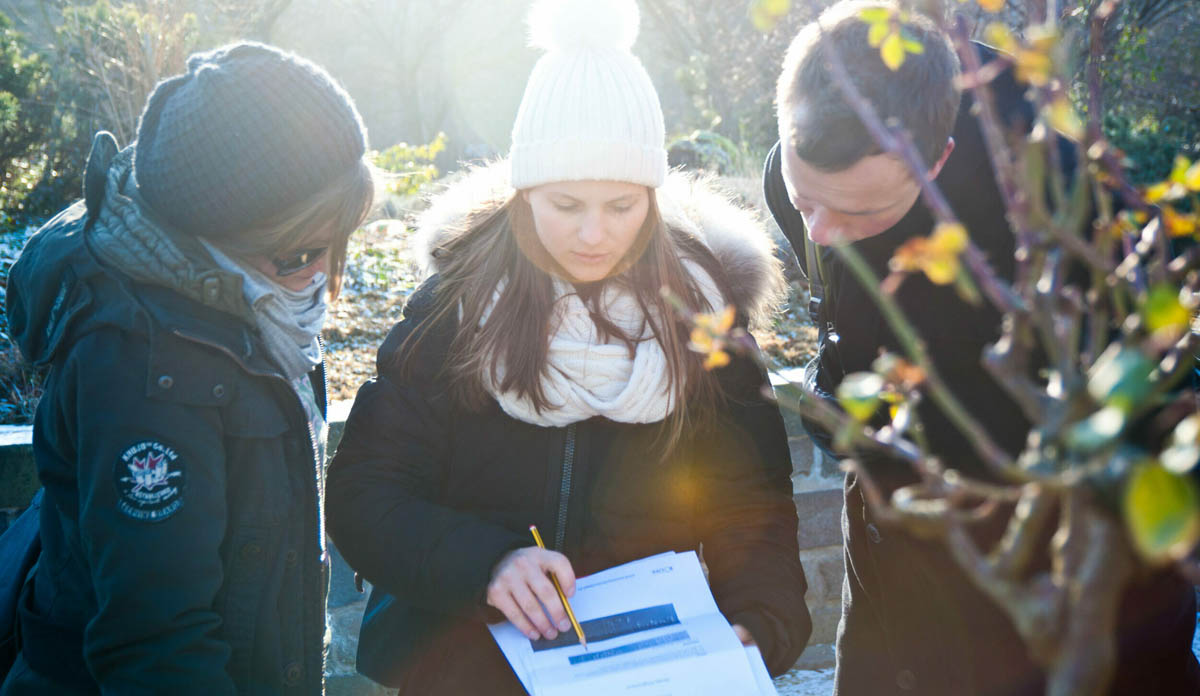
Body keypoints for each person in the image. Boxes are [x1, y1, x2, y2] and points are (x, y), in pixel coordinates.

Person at [326, 0, 811, 692]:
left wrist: (757, 625)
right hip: (466, 667)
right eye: (565, 205)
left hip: (651, 672)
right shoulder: (455, 312)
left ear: (652, 195)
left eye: (621, 206)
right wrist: (488, 565)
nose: (594, 235)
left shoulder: (703, 322)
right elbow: (364, 495)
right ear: (524, 194)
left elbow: (753, 513)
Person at [763, 2, 1200, 694]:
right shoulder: (800, 174)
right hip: (889, 575)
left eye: (860, 214)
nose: (820, 232)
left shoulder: (1065, 210)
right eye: (805, 199)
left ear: (938, 158)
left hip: (1052, 594)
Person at [1, 43, 374, 694]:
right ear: (222, 235)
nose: (323, 278)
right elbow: (157, 644)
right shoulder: (146, 367)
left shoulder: (255, 307)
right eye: (300, 253)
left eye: (340, 243)